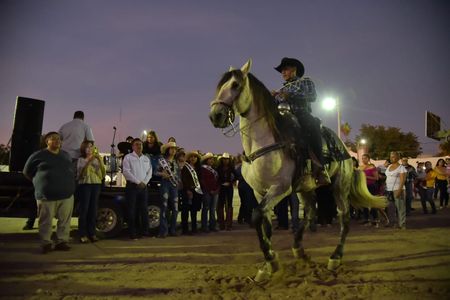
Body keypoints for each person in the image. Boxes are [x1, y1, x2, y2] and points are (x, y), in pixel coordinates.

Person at [272, 57, 330, 186]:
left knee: (312, 125)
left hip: (301, 114)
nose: (282, 73)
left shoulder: (305, 81)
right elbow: (276, 104)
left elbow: (312, 96)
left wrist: (291, 95)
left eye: (285, 69)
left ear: (294, 70)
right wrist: (271, 98)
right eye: (282, 71)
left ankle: (320, 167)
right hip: (284, 116)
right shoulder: (281, 89)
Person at [23, 132, 75, 253]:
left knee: (64, 221)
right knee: (45, 221)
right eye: (54, 139)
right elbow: (27, 172)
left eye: (59, 139)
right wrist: (40, 182)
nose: (57, 141)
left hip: (66, 195)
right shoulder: (38, 155)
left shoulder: (66, 155)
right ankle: (46, 243)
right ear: (47, 141)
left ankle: (62, 241)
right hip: (46, 196)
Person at [122, 138, 153, 239]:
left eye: (140, 144)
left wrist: (144, 182)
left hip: (143, 188)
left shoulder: (146, 158)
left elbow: (150, 172)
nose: (139, 146)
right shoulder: (128, 157)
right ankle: (132, 232)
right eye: (136, 144)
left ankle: (145, 232)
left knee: (144, 210)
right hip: (132, 187)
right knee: (132, 210)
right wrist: (138, 182)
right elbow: (126, 172)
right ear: (132, 147)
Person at [76, 141, 106, 243]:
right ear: (83, 149)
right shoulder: (81, 159)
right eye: (87, 147)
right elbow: (81, 173)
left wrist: (100, 161)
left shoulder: (97, 159)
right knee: (84, 210)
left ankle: (92, 233)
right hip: (85, 185)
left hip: (96, 184)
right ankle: (82, 234)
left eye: (91, 147)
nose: (89, 149)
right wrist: (89, 161)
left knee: (93, 209)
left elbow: (102, 173)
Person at [155, 141, 180, 237]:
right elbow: (155, 172)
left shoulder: (175, 162)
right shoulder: (162, 161)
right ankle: (163, 231)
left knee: (175, 208)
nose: (173, 150)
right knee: (164, 207)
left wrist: (178, 180)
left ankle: (173, 230)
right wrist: (162, 174)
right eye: (171, 148)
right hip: (165, 184)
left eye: (175, 149)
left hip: (174, 186)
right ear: (167, 150)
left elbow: (178, 175)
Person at [181, 151, 203, 235]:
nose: (193, 158)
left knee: (194, 211)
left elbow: (200, 180)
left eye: (195, 157)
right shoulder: (185, 168)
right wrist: (188, 190)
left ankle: (194, 228)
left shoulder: (198, 168)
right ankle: (185, 229)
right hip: (187, 191)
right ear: (189, 158)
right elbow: (184, 179)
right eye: (191, 157)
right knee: (185, 211)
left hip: (196, 191)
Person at [385, 151, 407, 229]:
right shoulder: (389, 166)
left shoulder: (401, 168)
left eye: (393, 156)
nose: (391, 158)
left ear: (398, 158)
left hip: (397, 189)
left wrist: (399, 190)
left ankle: (402, 224)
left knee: (400, 208)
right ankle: (392, 223)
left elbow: (402, 181)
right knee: (390, 208)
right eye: (391, 156)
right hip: (389, 190)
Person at [199, 152, 220, 233]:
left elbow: (217, 180)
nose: (212, 160)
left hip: (215, 192)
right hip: (207, 191)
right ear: (206, 160)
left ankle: (212, 226)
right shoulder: (203, 169)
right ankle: (204, 226)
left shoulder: (214, 169)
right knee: (206, 208)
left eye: (212, 159)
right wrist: (209, 190)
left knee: (213, 209)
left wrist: (217, 189)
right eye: (210, 159)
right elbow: (203, 181)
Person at [216, 152, 236, 230]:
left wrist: (230, 182)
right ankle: (221, 224)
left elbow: (236, 177)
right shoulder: (218, 168)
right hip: (221, 188)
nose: (226, 161)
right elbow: (216, 178)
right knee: (220, 205)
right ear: (222, 160)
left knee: (229, 205)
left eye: (227, 159)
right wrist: (221, 183)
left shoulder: (231, 168)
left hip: (229, 188)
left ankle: (229, 224)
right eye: (224, 159)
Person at [359, 154, 380, 226]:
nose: (363, 160)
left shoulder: (372, 167)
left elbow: (376, 178)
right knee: (364, 203)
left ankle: (375, 218)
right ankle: (366, 219)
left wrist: (366, 176)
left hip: (371, 186)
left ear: (368, 159)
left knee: (372, 202)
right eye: (362, 158)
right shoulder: (360, 167)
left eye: (365, 158)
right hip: (363, 186)